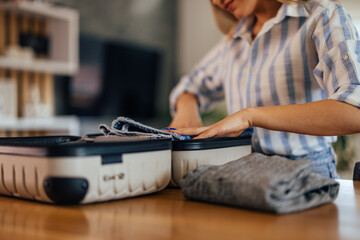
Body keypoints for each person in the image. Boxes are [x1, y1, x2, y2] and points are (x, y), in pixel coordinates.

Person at [167, 0, 360, 179]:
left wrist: (249, 116)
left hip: (307, 172)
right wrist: (187, 110)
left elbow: (354, 109)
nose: (216, 1)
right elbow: (190, 85)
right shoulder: (233, 40)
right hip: (244, 172)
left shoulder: (322, 16)